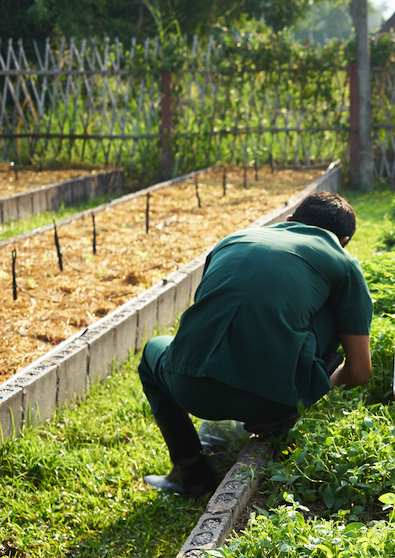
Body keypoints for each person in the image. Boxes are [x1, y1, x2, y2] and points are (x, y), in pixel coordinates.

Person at [139, 191, 373, 496]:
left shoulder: (234, 239)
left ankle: (189, 472)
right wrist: (316, 387)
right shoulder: (343, 263)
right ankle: (283, 412)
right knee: (336, 313)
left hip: (188, 386)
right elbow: (359, 371)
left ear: (289, 221)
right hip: (273, 401)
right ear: (343, 241)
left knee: (152, 349)